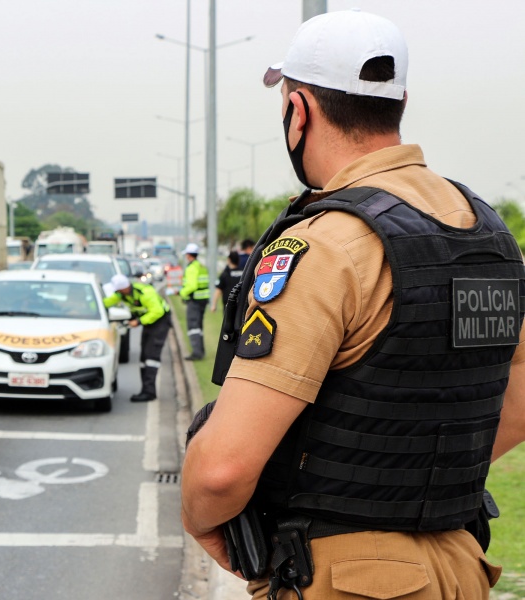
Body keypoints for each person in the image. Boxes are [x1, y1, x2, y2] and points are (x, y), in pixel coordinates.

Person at [181, 10, 525, 599]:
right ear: (398, 103)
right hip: (461, 567)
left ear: (298, 112)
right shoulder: (486, 234)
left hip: (344, 578)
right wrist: (414, 482)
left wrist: (201, 521)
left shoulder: (326, 246)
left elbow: (222, 472)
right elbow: (516, 392)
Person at [103, 273, 171, 402]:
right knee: (144, 357)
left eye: (117, 290)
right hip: (149, 323)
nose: (116, 293)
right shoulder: (122, 294)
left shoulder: (145, 293)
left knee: (151, 357)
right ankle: (146, 390)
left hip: (160, 322)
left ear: (123, 288)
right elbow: (106, 303)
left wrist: (138, 322)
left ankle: (149, 392)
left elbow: (157, 311)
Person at [178, 243, 210, 360]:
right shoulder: (201, 266)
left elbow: (191, 286)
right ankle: (201, 351)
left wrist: (181, 293)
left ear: (188, 255)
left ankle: (197, 353)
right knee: (199, 327)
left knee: (193, 327)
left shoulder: (191, 267)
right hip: (203, 300)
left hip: (195, 301)